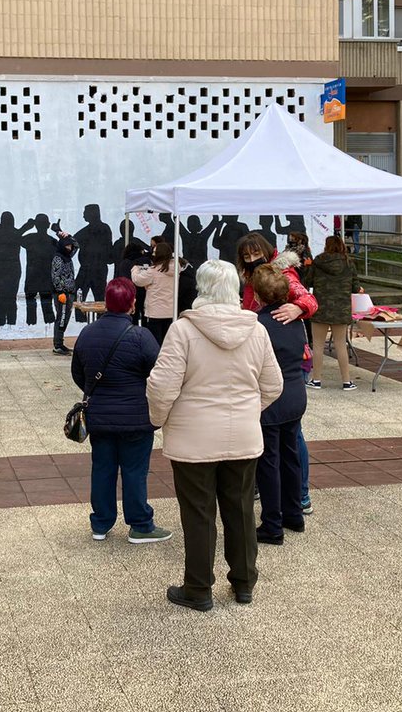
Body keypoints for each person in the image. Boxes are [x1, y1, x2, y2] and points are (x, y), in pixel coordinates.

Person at [147, 260, 283, 611]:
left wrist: (159, 421)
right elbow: (273, 385)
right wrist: (249, 412)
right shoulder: (256, 330)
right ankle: (244, 583)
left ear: (201, 289)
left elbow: (161, 388)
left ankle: (198, 588)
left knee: (198, 513)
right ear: (235, 291)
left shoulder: (183, 330)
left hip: (193, 439)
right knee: (240, 510)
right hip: (243, 436)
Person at [71, 278, 170, 544]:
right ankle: (140, 524)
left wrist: (99, 392)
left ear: (106, 302)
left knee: (102, 468)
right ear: (132, 304)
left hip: (99, 417)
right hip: (136, 418)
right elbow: (158, 373)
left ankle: (101, 523)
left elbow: (78, 374)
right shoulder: (141, 336)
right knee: (135, 471)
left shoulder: (87, 334)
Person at [252, 265, 308, 544]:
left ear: (258, 297)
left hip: (271, 399)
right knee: (290, 455)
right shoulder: (295, 320)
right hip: (296, 393)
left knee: (268, 462)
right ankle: (294, 513)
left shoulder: (258, 325)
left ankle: (272, 523)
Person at [305, 234, 363, 391]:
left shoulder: (317, 261)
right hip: (341, 310)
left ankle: (316, 380)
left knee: (317, 345)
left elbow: (307, 282)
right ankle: (347, 381)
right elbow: (355, 288)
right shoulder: (348, 263)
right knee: (341, 345)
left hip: (321, 308)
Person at [236, 234, 318, 321]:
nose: (252, 259)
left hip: (275, 327)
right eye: (247, 257)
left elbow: (310, 300)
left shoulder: (281, 274)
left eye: (256, 254)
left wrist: (298, 308)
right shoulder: (250, 275)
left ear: (266, 251)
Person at [131, 241, 180, 345]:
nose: (152, 254)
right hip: (171, 311)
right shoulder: (176, 269)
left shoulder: (153, 271)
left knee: (155, 343)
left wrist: (135, 269)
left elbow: (137, 280)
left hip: (155, 312)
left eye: (154, 252)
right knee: (168, 343)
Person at [50, 234, 78, 355]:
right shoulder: (58, 258)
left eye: (70, 245)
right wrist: (60, 291)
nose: (70, 247)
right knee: (61, 318)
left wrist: (66, 235)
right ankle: (58, 345)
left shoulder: (67, 256)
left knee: (65, 318)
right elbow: (55, 276)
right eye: (67, 245)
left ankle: (60, 343)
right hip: (62, 294)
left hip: (70, 292)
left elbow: (77, 246)